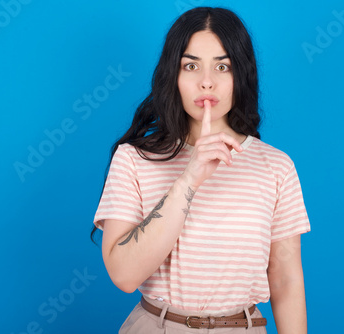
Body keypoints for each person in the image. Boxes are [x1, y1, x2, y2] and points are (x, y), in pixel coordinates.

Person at [91, 7, 311, 334]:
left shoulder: (276, 166)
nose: (206, 82)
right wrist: (189, 178)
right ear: (173, 75)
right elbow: (124, 275)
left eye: (222, 66)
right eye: (191, 66)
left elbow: (286, 280)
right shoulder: (133, 159)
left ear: (241, 76)